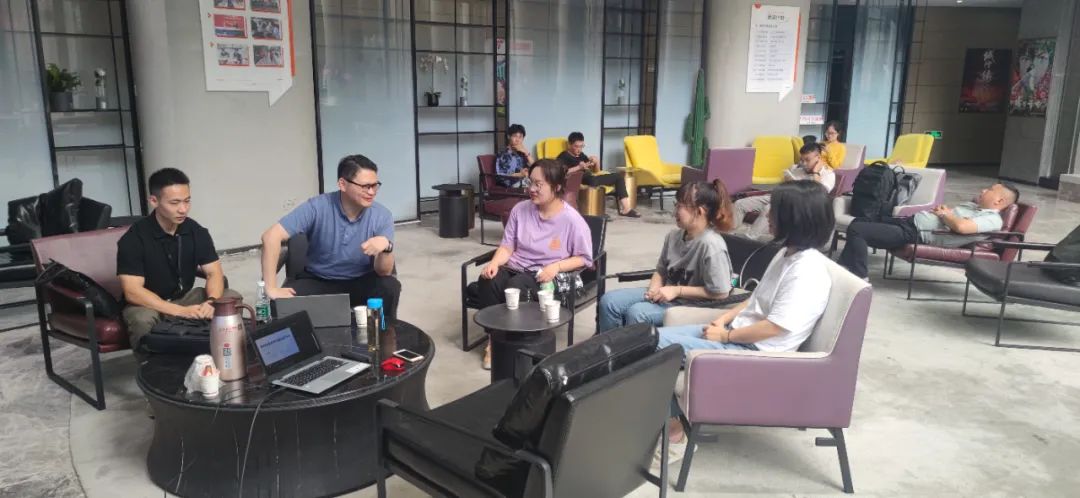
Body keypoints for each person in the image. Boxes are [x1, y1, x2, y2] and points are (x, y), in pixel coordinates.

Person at [656, 180, 836, 455]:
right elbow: (755, 300)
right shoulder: (786, 254)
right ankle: (665, 418)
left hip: (755, 351)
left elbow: (773, 327)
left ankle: (676, 431)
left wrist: (726, 335)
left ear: (795, 218)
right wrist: (725, 319)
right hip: (738, 334)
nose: (767, 215)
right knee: (652, 338)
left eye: (774, 211)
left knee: (657, 347)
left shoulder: (806, 271)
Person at [475, 159, 594, 369]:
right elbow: (507, 247)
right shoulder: (520, 210)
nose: (531, 189)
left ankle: (515, 344)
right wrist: (494, 263)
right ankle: (494, 340)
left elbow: (584, 258)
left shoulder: (572, 220)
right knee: (488, 280)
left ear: (556, 187)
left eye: (539, 184)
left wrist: (556, 267)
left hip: (544, 275)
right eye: (530, 182)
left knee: (516, 286)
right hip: (515, 266)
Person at [260, 154, 401, 320]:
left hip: (362, 280)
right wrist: (271, 288)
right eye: (365, 186)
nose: (371, 192)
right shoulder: (317, 207)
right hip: (319, 280)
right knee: (279, 305)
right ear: (343, 184)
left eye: (375, 186)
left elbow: (384, 272)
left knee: (390, 287)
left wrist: (386, 247)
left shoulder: (382, 216)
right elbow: (270, 237)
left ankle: (384, 334)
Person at [117, 168, 240, 351]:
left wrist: (211, 301)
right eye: (174, 203)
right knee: (141, 319)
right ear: (154, 201)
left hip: (183, 298)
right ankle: (152, 366)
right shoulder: (134, 239)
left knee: (230, 297)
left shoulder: (196, 231)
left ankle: (220, 354)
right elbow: (133, 291)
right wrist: (181, 311)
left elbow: (214, 273)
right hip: (148, 304)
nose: (183, 209)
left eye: (187, 201)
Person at [596, 180, 734, 333]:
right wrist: (654, 289)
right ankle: (609, 346)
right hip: (666, 294)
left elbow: (721, 293)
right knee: (609, 302)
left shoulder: (711, 245)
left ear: (700, 211)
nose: (675, 211)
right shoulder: (673, 236)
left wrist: (677, 291)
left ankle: (631, 348)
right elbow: (661, 271)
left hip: (692, 305)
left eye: (680, 206)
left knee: (637, 313)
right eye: (676, 204)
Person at [837, 183, 1020, 279]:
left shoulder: (992, 219)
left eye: (990, 190)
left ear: (999, 201)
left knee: (858, 230)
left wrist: (945, 214)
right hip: (910, 222)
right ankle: (844, 266)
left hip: (917, 234)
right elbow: (951, 216)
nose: (984, 190)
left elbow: (962, 227)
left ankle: (859, 275)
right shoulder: (974, 207)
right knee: (860, 221)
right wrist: (944, 213)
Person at [733, 142, 836, 239]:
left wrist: (816, 172)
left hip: (799, 205)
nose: (803, 163)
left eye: (807, 160)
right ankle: (730, 236)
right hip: (779, 197)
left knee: (769, 209)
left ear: (818, 158)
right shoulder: (797, 169)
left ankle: (750, 239)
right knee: (740, 204)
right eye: (802, 160)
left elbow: (818, 195)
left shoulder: (828, 175)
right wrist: (787, 182)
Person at [557, 131, 640, 218]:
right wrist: (578, 167)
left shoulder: (581, 155)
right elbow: (560, 172)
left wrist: (596, 162)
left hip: (591, 179)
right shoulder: (563, 156)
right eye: (576, 146)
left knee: (618, 177)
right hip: (576, 181)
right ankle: (599, 211)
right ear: (569, 145)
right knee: (595, 180)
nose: (579, 150)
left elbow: (596, 171)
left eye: (581, 146)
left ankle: (626, 209)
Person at [494, 123, 532, 188]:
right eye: (515, 136)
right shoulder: (503, 154)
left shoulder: (522, 153)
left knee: (542, 181)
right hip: (510, 184)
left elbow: (535, 167)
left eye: (520, 137)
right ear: (509, 136)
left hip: (523, 181)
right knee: (536, 187)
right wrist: (520, 174)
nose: (517, 140)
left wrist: (526, 152)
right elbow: (500, 176)